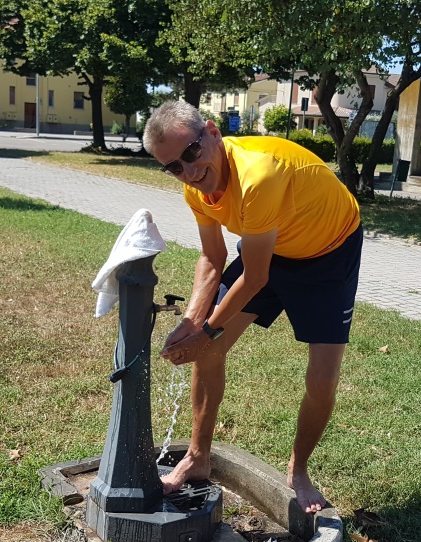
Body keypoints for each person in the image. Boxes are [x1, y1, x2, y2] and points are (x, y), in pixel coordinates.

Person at [142, 101, 362, 514]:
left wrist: (205, 331)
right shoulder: (196, 187)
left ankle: (298, 469)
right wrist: (193, 323)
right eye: (173, 167)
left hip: (328, 254)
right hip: (272, 246)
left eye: (190, 153)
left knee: (322, 379)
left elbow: (256, 278)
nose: (188, 171)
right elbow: (211, 258)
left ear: (211, 131)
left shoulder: (258, 173)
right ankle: (197, 457)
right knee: (208, 350)